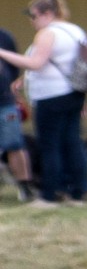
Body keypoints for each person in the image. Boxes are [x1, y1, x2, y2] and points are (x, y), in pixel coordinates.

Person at [0, 0, 87, 207]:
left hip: (51, 96)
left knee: (49, 145)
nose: (31, 21)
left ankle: (50, 195)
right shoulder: (75, 31)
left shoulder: (48, 33)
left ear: (47, 14)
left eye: (33, 16)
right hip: (74, 93)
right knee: (72, 142)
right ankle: (79, 191)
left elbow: (36, 63)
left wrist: (2, 53)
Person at [0, 20, 30, 202]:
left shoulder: (5, 36)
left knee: (14, 144)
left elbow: (14, 66)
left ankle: (24, 187)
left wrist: (11, 88)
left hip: (4, 100)